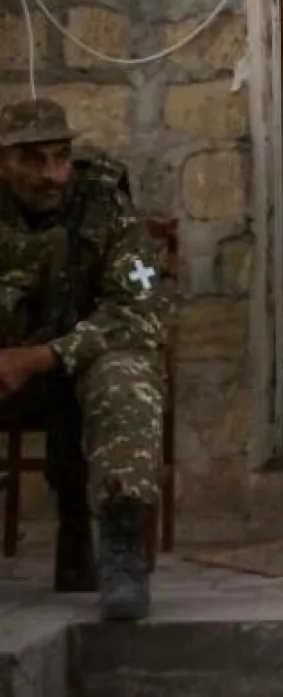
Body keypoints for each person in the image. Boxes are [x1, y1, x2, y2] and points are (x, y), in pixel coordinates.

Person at [0, 98, 175, 621]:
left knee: (128, 377)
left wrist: (44, 356)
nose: (52, 175)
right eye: (33, 160)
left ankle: (120, 548)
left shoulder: (104, 205)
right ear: (3, 161)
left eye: (60, 157)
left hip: (78, 364)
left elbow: (140, 311)